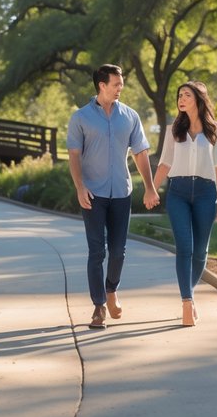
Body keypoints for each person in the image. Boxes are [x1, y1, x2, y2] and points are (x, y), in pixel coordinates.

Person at [67, 64, 161, 329]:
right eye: (116, 84)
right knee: (97, 251)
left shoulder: (130, 116)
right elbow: (73, 155)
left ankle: (111, 290)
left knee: (118, 251)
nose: (121, 88)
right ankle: (98, 307)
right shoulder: (81, 118)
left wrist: (150, 187)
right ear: (102, 85)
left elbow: (140, 152)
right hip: (93, 193)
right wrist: (80, 186)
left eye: (121, 84)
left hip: (121, 191)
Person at [153, 80, 217, 326]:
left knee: (200, 251)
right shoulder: (173, 129)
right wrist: (152, 190)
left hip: (206, 194)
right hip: (178, 193)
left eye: (186, 95)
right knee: (184, 247)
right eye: (179, 95)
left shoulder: (215, 129)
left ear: (198, 99)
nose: (181, 99)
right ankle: (187, 302)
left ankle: (189, 296)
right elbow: (164, 163)